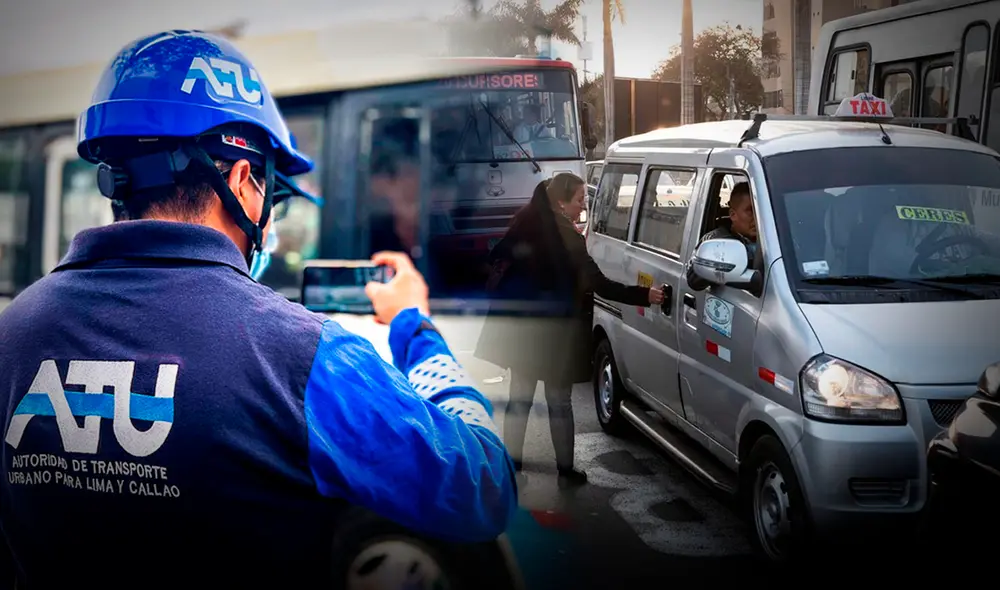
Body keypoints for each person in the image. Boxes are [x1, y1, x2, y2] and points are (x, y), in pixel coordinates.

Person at [0, 30, 516, 588]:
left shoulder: (13, 333)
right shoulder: (304, 357)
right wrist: (415, 327)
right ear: (245, 183)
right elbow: (483, 487)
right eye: (272, 192)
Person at [475, 173, 664, 486]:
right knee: (559, 401)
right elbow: (600, 284)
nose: (582, 207)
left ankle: (512, 464)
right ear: (561, 202)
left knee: (519, 398)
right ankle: (565, 470)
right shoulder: (567, 238)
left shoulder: (527, 223)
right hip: (555, 336)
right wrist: (646, 295)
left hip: (522, 331)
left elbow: (497, 257)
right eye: (579, 200)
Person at [686, 181, 759, 291]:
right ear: (733, 215)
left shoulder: (778, 238)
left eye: (759, 211)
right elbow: (694, 280)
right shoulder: (716, 240)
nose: (757, 217)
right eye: (750, 211)